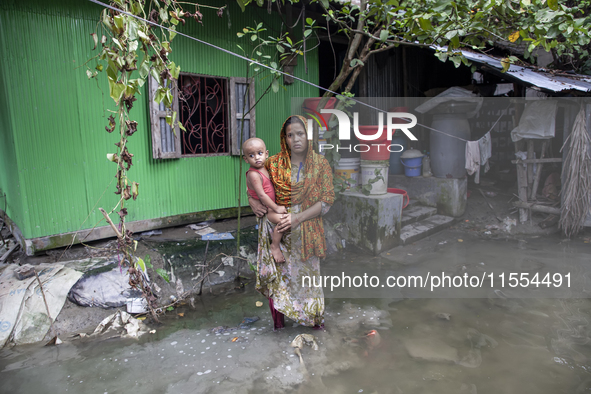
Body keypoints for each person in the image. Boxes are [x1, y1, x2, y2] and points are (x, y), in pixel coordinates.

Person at [249, 115, 335, 330]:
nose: (296, 139)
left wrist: (297, 217)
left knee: (308, 282)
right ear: (284, 138)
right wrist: (252, 202)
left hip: (305, 229)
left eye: (301, 133)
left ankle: (315, 325)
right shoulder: (273, 162)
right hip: (274, 228)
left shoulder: (320, 164)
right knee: (278, 280)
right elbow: (255, 182)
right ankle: (279, 327)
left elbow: (327, 202)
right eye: (290, 135)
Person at [242, 137, 287, 263]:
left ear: (266, 154)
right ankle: (275, 246)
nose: (257, 157)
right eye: (252, 155)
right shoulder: (253, 174)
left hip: (273, 205)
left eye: (260, 153)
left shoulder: (266, 167)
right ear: (246, 159)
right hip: (269, 209)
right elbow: (261, 195)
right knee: (283, 221)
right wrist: (276, 208)